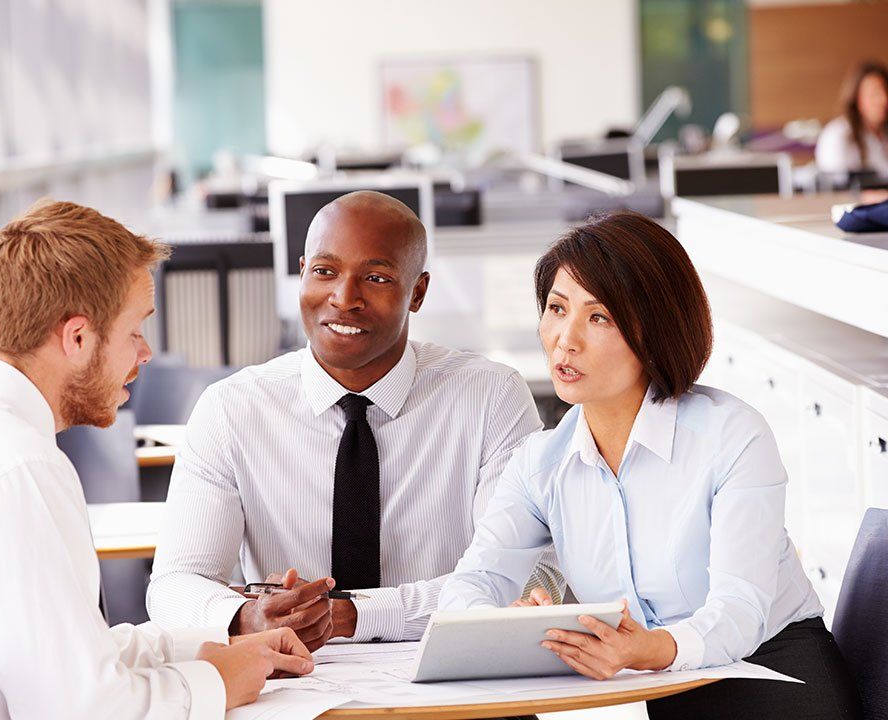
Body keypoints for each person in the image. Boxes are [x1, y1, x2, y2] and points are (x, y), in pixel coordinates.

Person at [0, 200, 316, 720]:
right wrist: (218, 682)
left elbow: (71, 656)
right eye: (135, 331)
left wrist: (224, 635)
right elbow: (81, 709)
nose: (145, 353)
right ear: (78, 337)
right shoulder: (20, 469)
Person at [438, 211, 860, 719]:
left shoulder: (731, 435)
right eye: (556, 308)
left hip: (771, 679)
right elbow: (469, 585)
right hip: (658, 692)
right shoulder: (540, 463)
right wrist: (499, 624)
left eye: (600, 317)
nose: (564, 339)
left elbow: (739, 613)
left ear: (655, 330)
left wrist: (644, 649)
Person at [147, 190, 544, 647]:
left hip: (458, 680)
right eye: (324, 271)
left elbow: (520, 577)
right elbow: (174, 585)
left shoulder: (490, 398)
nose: (343, 297)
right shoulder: (232, 409)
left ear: (417, 293)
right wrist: (243, 616)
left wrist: (355, 616)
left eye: (375, 277)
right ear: (301, 273)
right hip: (298, 687)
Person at [815, 60, 888, 180]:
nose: (883, 101)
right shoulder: (837, 135)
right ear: (856, 97)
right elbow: (836, 188)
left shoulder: (883, 134)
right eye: (875, 94)